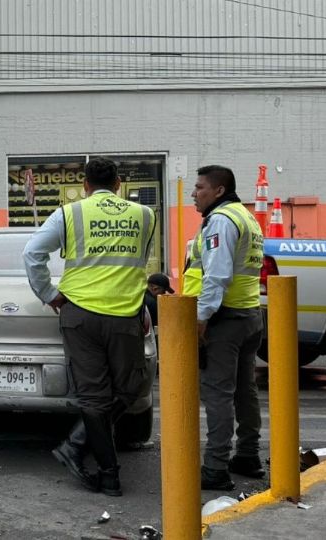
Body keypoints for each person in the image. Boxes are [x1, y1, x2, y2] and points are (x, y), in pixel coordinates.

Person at [24, 157, 156, 497]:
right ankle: (108, 473)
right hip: (125, 314)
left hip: (79, 313)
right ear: (118, 184)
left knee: (95, 398)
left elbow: (32, 252)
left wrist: (48, 294)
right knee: (131, 387)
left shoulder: (70, 214)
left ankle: (76, 445)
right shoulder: (145, 215)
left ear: (85, 185)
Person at [183, 165, 265, 491]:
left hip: (224, 319)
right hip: (249, 315)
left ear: (218, 191)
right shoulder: (245, 216)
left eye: (200, 187)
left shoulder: (220, 221)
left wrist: (201, 317)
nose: (194, 193)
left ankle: (215, 467)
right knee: (245, 390)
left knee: (218, 394)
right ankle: (248, 455)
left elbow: (217, 275)